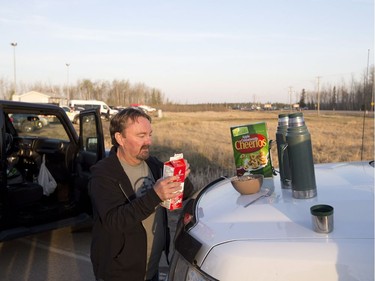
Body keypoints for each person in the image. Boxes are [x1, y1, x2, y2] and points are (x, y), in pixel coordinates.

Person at [88, 107, 195, 281]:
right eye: (141, 136)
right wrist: (155, 195)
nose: (149, 141)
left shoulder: (152, 164)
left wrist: (181, 178)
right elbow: (113, 221)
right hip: (120, 273)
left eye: (150, 134)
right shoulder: (103, 174)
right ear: (120, 138)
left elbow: (184, 194)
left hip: (151, 268)